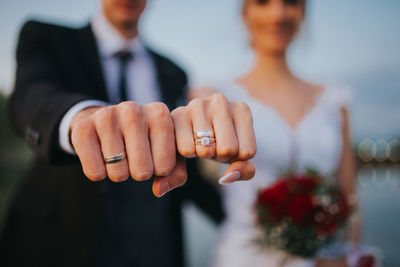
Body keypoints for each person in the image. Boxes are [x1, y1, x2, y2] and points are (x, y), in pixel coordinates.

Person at [0, 0, 256, 266]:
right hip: (63, 240)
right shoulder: (47, 37)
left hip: (157, 243)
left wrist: (247, 221)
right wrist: (83, 118)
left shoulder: (173, 71)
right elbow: (30, 98)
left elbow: (185, 170)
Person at [192, 0, 361, 266]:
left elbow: (350, 198)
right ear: (246, 14)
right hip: (245, 256)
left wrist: (347, 252)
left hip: (324, 258)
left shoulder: (334, 101)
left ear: (303, 12)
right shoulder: (215, 98)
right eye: (263, 2)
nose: (278, 14)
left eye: (290, 3)